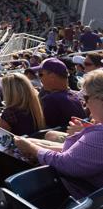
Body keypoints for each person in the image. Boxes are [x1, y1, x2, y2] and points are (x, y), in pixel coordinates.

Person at [15, 69, 103, 198]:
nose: (85, 103)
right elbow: (81, 153)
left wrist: (33, 149)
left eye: (86, 97)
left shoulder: (98, 136)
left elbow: (66, 164)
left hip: (81, 196)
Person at [33, 58, 86, 129]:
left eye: (40, 74)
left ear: (52, 77)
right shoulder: (74, 96)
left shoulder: (50, 100)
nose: (40, 79)